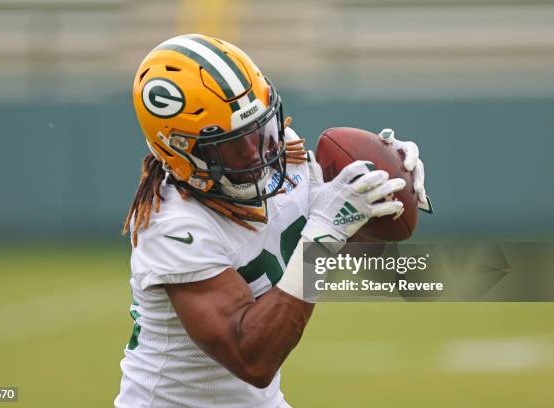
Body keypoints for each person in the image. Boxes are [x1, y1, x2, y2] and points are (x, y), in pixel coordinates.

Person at [114, 34, 430, 408]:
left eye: (260, 130)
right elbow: (252, 357)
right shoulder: (172, 225)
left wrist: (385, 186)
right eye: (233, 144)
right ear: (182, 151)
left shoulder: (288, 156)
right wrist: (323, 235)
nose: (256, 154)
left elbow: (355, 249)